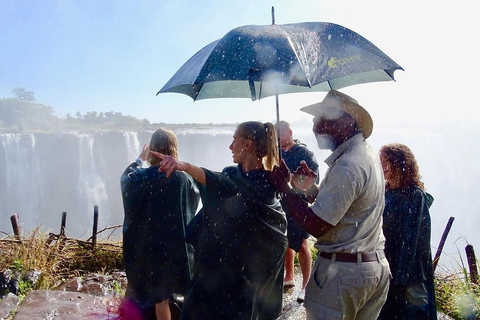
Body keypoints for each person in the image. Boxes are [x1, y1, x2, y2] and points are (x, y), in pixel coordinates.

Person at [270, 90, 390, 320]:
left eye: (322, 120)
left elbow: (317, 225)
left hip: (343, 276)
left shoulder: (347, 166)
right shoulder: (365, 153)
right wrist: (307, 188)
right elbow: (347, 207)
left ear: (346, 122)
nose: (316, 127)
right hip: (370, 267)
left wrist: (284, 188)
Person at [151, 121, 288, 320]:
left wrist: (184, 166)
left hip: (246, 275)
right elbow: (222, 185)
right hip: (219, 266)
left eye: (235, 141)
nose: (230, 146)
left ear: (248, 145)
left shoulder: (267, 183)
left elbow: (221, 184)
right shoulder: (232, 174)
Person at [121, 127, 200, 320]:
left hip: (152, 250)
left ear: (153, 150)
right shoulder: (185, 178)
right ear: (174, 149)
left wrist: (139, 159)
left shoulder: (142, 178)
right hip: (178, 247)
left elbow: (126, 180)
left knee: (160, 299)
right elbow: (193, 199)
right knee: (177, 294)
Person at [378, 143, 437, 320]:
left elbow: (411, 241)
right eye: (380, 161)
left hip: (408, 271)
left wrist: (400, 280)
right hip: (385, 263)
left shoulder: (414, 196)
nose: (382, 166)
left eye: (387, 161)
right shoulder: (385, 192)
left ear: (401, 163)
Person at [275, 120, 319, 302]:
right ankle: (289, 276)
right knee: (284, 240)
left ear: (290, 132)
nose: (279, 139)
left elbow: (312, 183)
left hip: (300, 204)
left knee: (301, 243)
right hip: (280, 203)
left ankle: (306, 286)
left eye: (281, 134)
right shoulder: (275, 153)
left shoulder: (305, 153)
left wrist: (291, 179)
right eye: (276, 136)